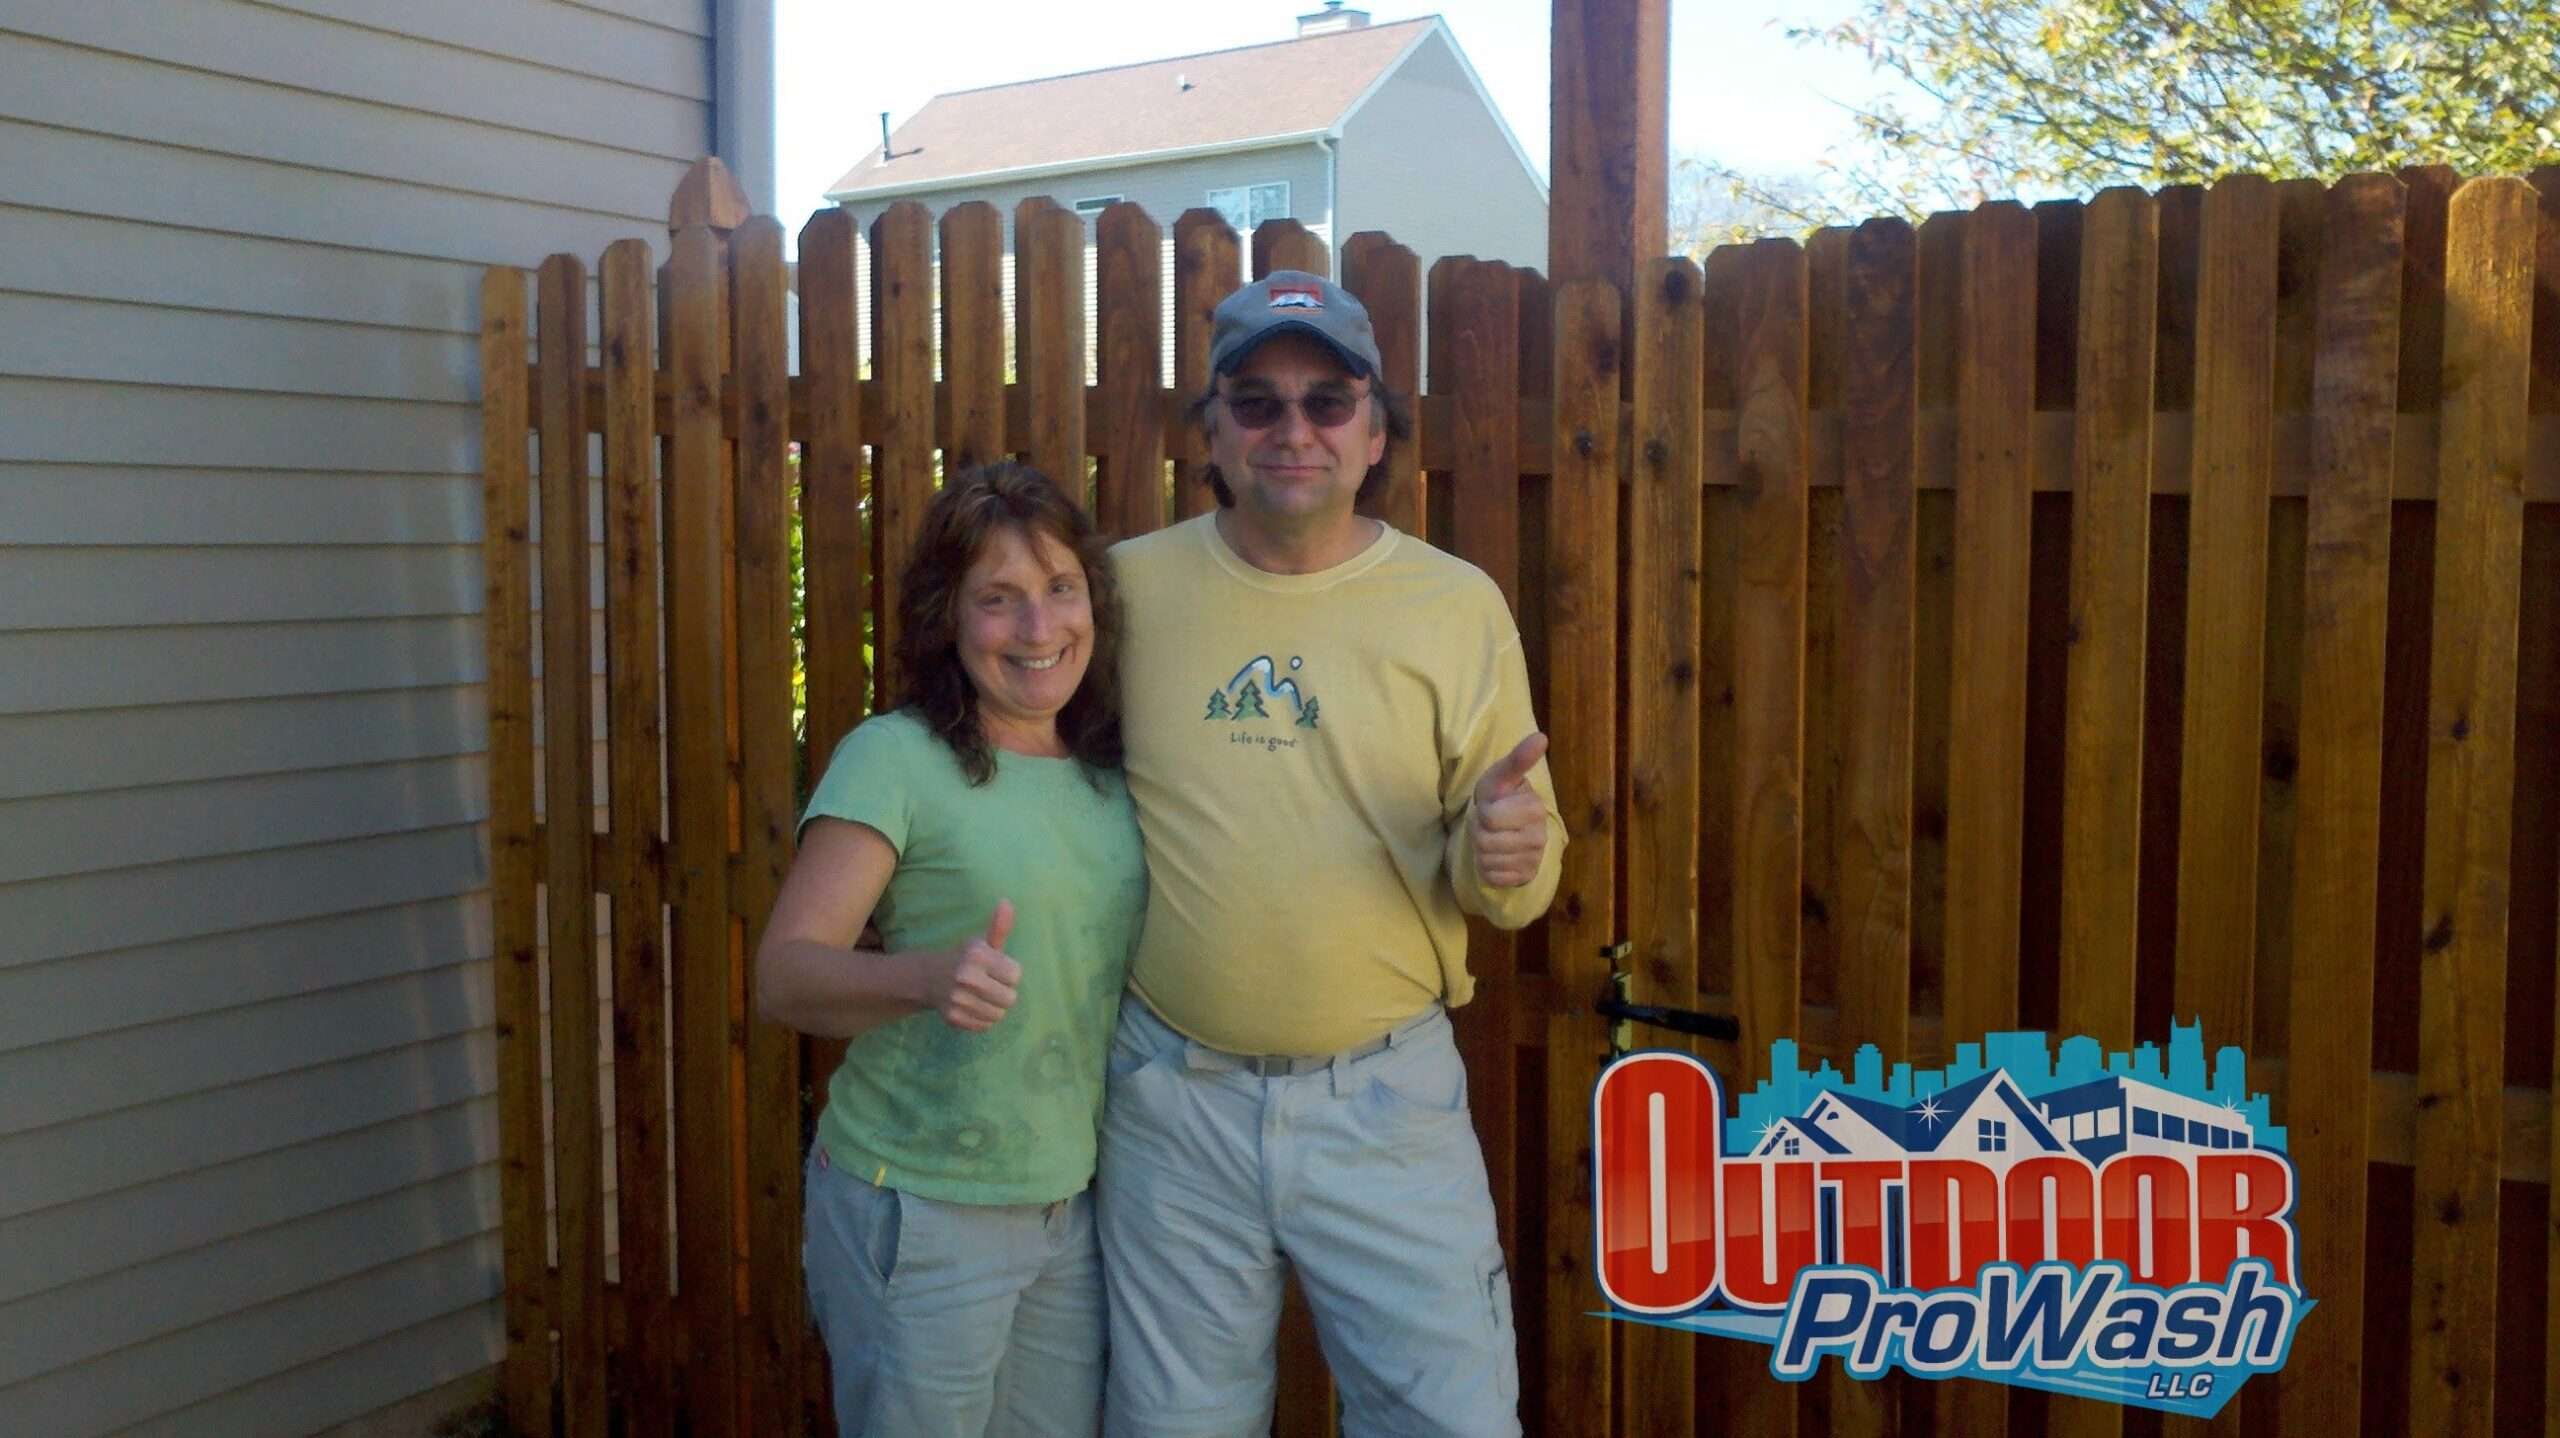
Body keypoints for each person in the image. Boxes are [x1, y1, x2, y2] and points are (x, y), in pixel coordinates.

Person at [1097, 271, 1565, 1437]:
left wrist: (1508, 855)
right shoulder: (1121, 591)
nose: (1291, 429)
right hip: (1170, 1100)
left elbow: (1515, 871)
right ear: (1209, 430)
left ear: (1373, 433)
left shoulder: (1454, 606)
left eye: (1325, 400)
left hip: (1384, 1100)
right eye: (1255, 403)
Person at [756, 462, 1146, 1437]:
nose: (1038, 628)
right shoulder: (896, 757)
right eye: (997, 600)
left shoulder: (1107, 767)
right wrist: (927, 977)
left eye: (1060, 589)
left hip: (1066, 1204)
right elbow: (786, 974)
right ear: (948, 616)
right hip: (918, 1206)